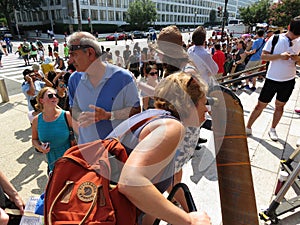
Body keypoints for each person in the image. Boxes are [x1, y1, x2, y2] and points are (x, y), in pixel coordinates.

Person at [118, 71, 211, 225]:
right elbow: (130, 181)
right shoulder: (173, 127)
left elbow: (157, 179)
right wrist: (188, 220)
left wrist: (185, 211)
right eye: (203, 102)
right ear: (189, 105)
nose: (206, 110)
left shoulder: (152, 115)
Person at [67, 31, 141, 144]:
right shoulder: (74, 79)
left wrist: (108, 115)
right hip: (87, 150)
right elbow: (74, 109)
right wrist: (81, 116)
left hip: (117, 152)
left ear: (90, 53)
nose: (70, 61)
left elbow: (136, 111)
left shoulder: (123, 78)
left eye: (74, 55)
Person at [246, 16, 300, 141]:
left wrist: (297, 59)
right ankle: (248, 127)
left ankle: (273, 128)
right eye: (293, 34)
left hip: (288, 80)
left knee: (279, 106)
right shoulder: (275, 38)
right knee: (260, 105)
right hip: (272, 79)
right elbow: (264, 56)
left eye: (297, 36)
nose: (295, 38)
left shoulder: (299, 41)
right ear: (288, 28)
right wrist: (280, 56)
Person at [32, 87, 73, 172]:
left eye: (55, 95)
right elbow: (34, 140)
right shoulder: (36, 120)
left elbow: (79, 134)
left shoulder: (66, 115)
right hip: (52, 164)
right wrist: (40, 147)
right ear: (41, 100)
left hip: (71, 161)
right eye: (50, 95)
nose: (54, 97)